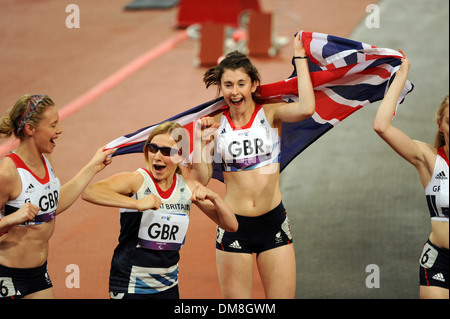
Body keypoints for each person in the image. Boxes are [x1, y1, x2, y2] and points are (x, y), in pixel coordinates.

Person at [192, 31, 315, 298]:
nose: (234, 92)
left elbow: (306, 108)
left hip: (274, 223)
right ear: (221, 88)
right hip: (234, 225)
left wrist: (300, 57)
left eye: (241, 84)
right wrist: (201, 144)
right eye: (228, 85)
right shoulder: (214, 124)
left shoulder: (270, 114)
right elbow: (200, 179)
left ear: (254, 85)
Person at [81, 121, 238, 299]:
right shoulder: (137, 180)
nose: (156, 156)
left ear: (180, 156)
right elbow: (90, 192)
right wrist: (137, 204)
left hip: (168, 287)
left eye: (165, 151)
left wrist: (215, 198)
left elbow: (231, 225)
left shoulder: (186, 188)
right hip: (131, 285)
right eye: (153, 148)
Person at [0, 94, 115, 299]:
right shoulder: (8, 172)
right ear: (31, 130)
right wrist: (11, 219)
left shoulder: (46, 160)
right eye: (53, 125)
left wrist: (93, 167)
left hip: (38, 274)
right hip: (6, 275)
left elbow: (54, 204)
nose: (59, 130)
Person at [373, 51, 449, 299]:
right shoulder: (429, 159)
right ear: (440, 125)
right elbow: (382, 126)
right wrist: (400, 77)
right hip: (440, 261)